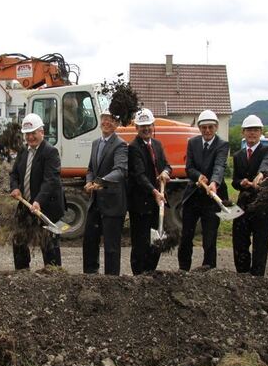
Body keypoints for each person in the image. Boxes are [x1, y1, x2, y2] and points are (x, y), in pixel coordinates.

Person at [9, 113, 66, 269]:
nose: (30, 137)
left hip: (46, 207)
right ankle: (22, 273)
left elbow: (51, 181)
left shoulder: (50, 152)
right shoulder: (23, 152)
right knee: (19, 240)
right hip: (26, 205)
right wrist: (14, 187)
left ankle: (54, 276)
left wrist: (38, 201)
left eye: (33, 133)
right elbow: (14, 174)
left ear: (42, 132)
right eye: (27, 134)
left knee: (48, 244)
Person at [178, 109, 229, 271]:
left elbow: (219, 165)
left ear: (216, 127)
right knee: (186, 235)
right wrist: (198, 177)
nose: (207, 130)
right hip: (193, 195)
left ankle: (209, 270)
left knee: (209, 237)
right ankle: (183, 269)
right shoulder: (192, 143)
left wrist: (214, 182)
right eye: (204, 127)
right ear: (199, 128)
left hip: (212, 198)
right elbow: (189, 168)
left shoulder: (222, 145)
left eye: (210, 127)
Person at [82, 109, 128, 275]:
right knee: (89, 242)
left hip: (113, 203)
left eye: (111, 120)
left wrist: (99, 182)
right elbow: (90, 169)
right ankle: (90, 275)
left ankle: (112, 281)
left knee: (111, 247)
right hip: (95, 202)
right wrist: (89, 181)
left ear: (116, 125)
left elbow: (120, 170)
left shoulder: (120, 144)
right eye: (105, 119)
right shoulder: (95, 143)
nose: (107, 122)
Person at [231, 115, 268, 276]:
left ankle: (257, 277)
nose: (252, 133)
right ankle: (242, 274)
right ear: (243, 132)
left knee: (260, 242)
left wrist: (261, 174)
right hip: (243, 203)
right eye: (249, 130)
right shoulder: (238, 156)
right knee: (239, 240)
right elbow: (234, 181)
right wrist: (240, 183)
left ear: (261, 132)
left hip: (261, 203)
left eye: (255, 130)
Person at [127, 109, 171, 275]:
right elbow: (139, 175)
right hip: (140, 203)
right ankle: (138, 275)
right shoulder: (133, 147)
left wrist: (166, 172)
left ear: (153, 125)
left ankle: (150, 271)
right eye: (142, 126)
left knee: (155, 240)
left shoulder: (157, 144)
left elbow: (167, 165)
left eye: (148, 125)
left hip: (156, 202)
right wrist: (154, 191)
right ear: (136, 128)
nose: (146, 129)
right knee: (140, 241)